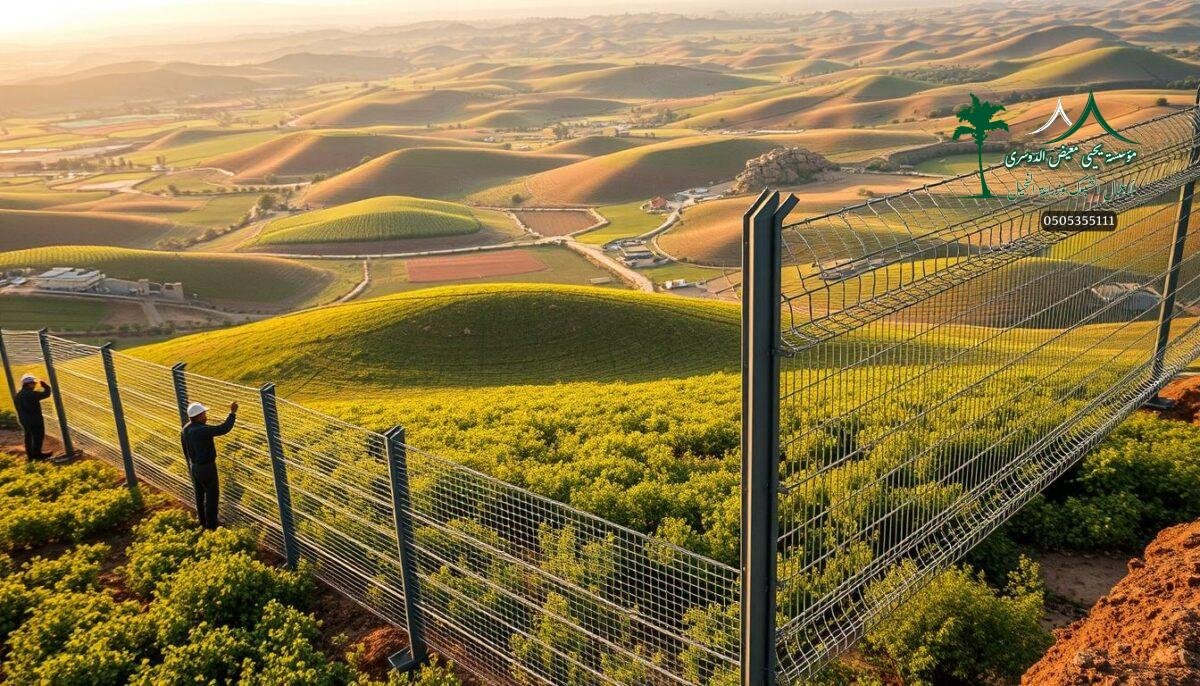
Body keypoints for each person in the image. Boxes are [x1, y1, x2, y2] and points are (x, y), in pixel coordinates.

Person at [180, 400, 237, 530]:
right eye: (204, 414)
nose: (206, 416)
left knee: (199, 496)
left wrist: (191, 465)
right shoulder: (201, 430)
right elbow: (223, 428)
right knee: (212, 496)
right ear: (199, 416)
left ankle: (202, 522)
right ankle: (212, 526)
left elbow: (185, 450)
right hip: (207, 468)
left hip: (194, 467)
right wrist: (232, 413)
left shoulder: (186, 429)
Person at [14, 374, 53, 461]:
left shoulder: (18, 395)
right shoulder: (31, 394)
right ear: (28, 384)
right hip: (34, 419)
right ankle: (37, 455)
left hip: (24, 420)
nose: (35, 385)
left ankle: (31, 457)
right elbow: (46, 394)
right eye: (33, 383)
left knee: (28, 437)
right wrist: (46, 386)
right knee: (38, 436)